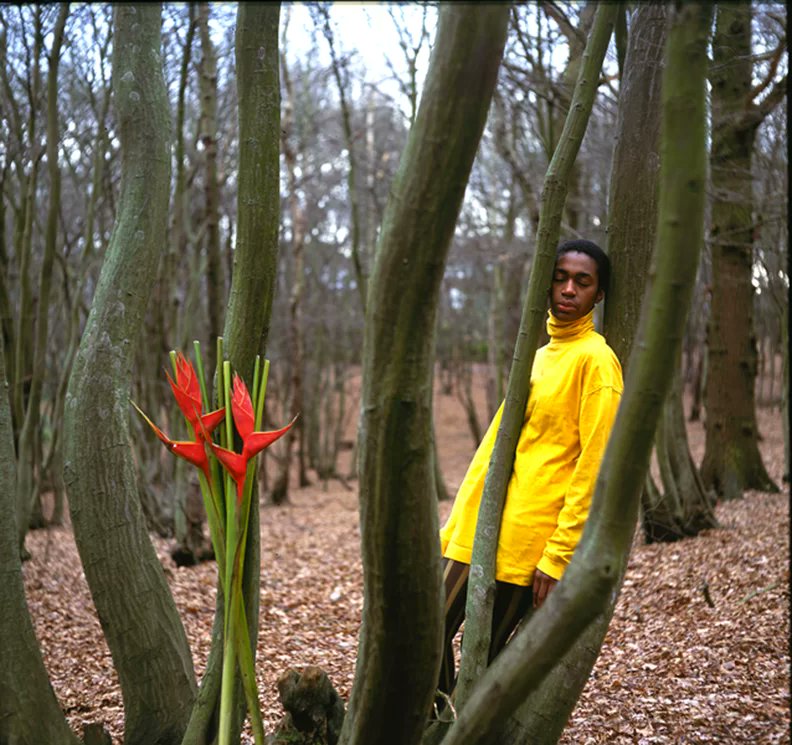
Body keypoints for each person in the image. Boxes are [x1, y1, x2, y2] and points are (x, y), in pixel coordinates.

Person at [437, 239, 624, 698]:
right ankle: (437, 726)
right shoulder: (540, 354)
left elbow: (596, 468)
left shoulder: (596, 362)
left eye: (582, 282)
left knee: (485, 664)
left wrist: (559, 553)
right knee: (424, 628)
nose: (567, 289)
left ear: (598, 295)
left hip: (526, 540)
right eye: (560, 278)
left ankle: (458, 730)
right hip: (480, 523)